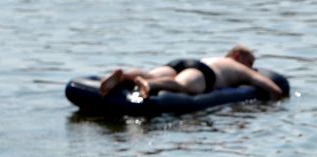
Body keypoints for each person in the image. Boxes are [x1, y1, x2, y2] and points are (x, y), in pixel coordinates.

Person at [97, 46, 285, 101]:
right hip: (204, 73)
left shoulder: (213, 57)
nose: (252, 67)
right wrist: (279, 95)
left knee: (150, 73)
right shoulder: (237, 66)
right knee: (182, 85)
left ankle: (124, 77)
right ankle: (150, 86)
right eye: (250, 62)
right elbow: (263, 82)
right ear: (238, 55)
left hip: (183, 62)